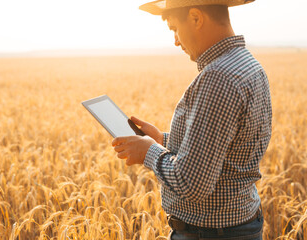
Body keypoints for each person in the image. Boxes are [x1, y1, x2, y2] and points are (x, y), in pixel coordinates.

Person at [112, 0, 272, 239]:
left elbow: (191, 183)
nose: (176, 40)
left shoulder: (218, 77)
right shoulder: (248, 64)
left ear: (196, 18)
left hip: (211, 234)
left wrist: (149, 151)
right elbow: (222, 151)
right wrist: (160, 139)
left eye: (175, 28)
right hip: (238, 224)